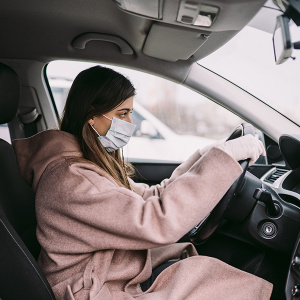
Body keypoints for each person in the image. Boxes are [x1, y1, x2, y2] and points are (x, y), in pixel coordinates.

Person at [13, 66, 272, 300]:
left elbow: (149, 196)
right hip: (93, 290)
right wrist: (223, 159)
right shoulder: (72, 181)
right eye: (122, 113)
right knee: (220, 281)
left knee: (210, 272)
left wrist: (206, 156)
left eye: (131, 113)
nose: (131, 124)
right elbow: (156, 220)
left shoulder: (84, 165)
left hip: (109, 272)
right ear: (91, 117)